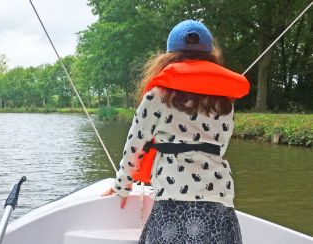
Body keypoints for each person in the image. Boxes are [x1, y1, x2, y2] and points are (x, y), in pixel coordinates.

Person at [102, 19, 249, 243]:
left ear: (169, 57)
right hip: (219, 197)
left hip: (172, 198)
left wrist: (122, 186)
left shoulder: (158, 96)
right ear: (210, 58)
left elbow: (135, 144)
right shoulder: (224, 102)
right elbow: (219, 147)